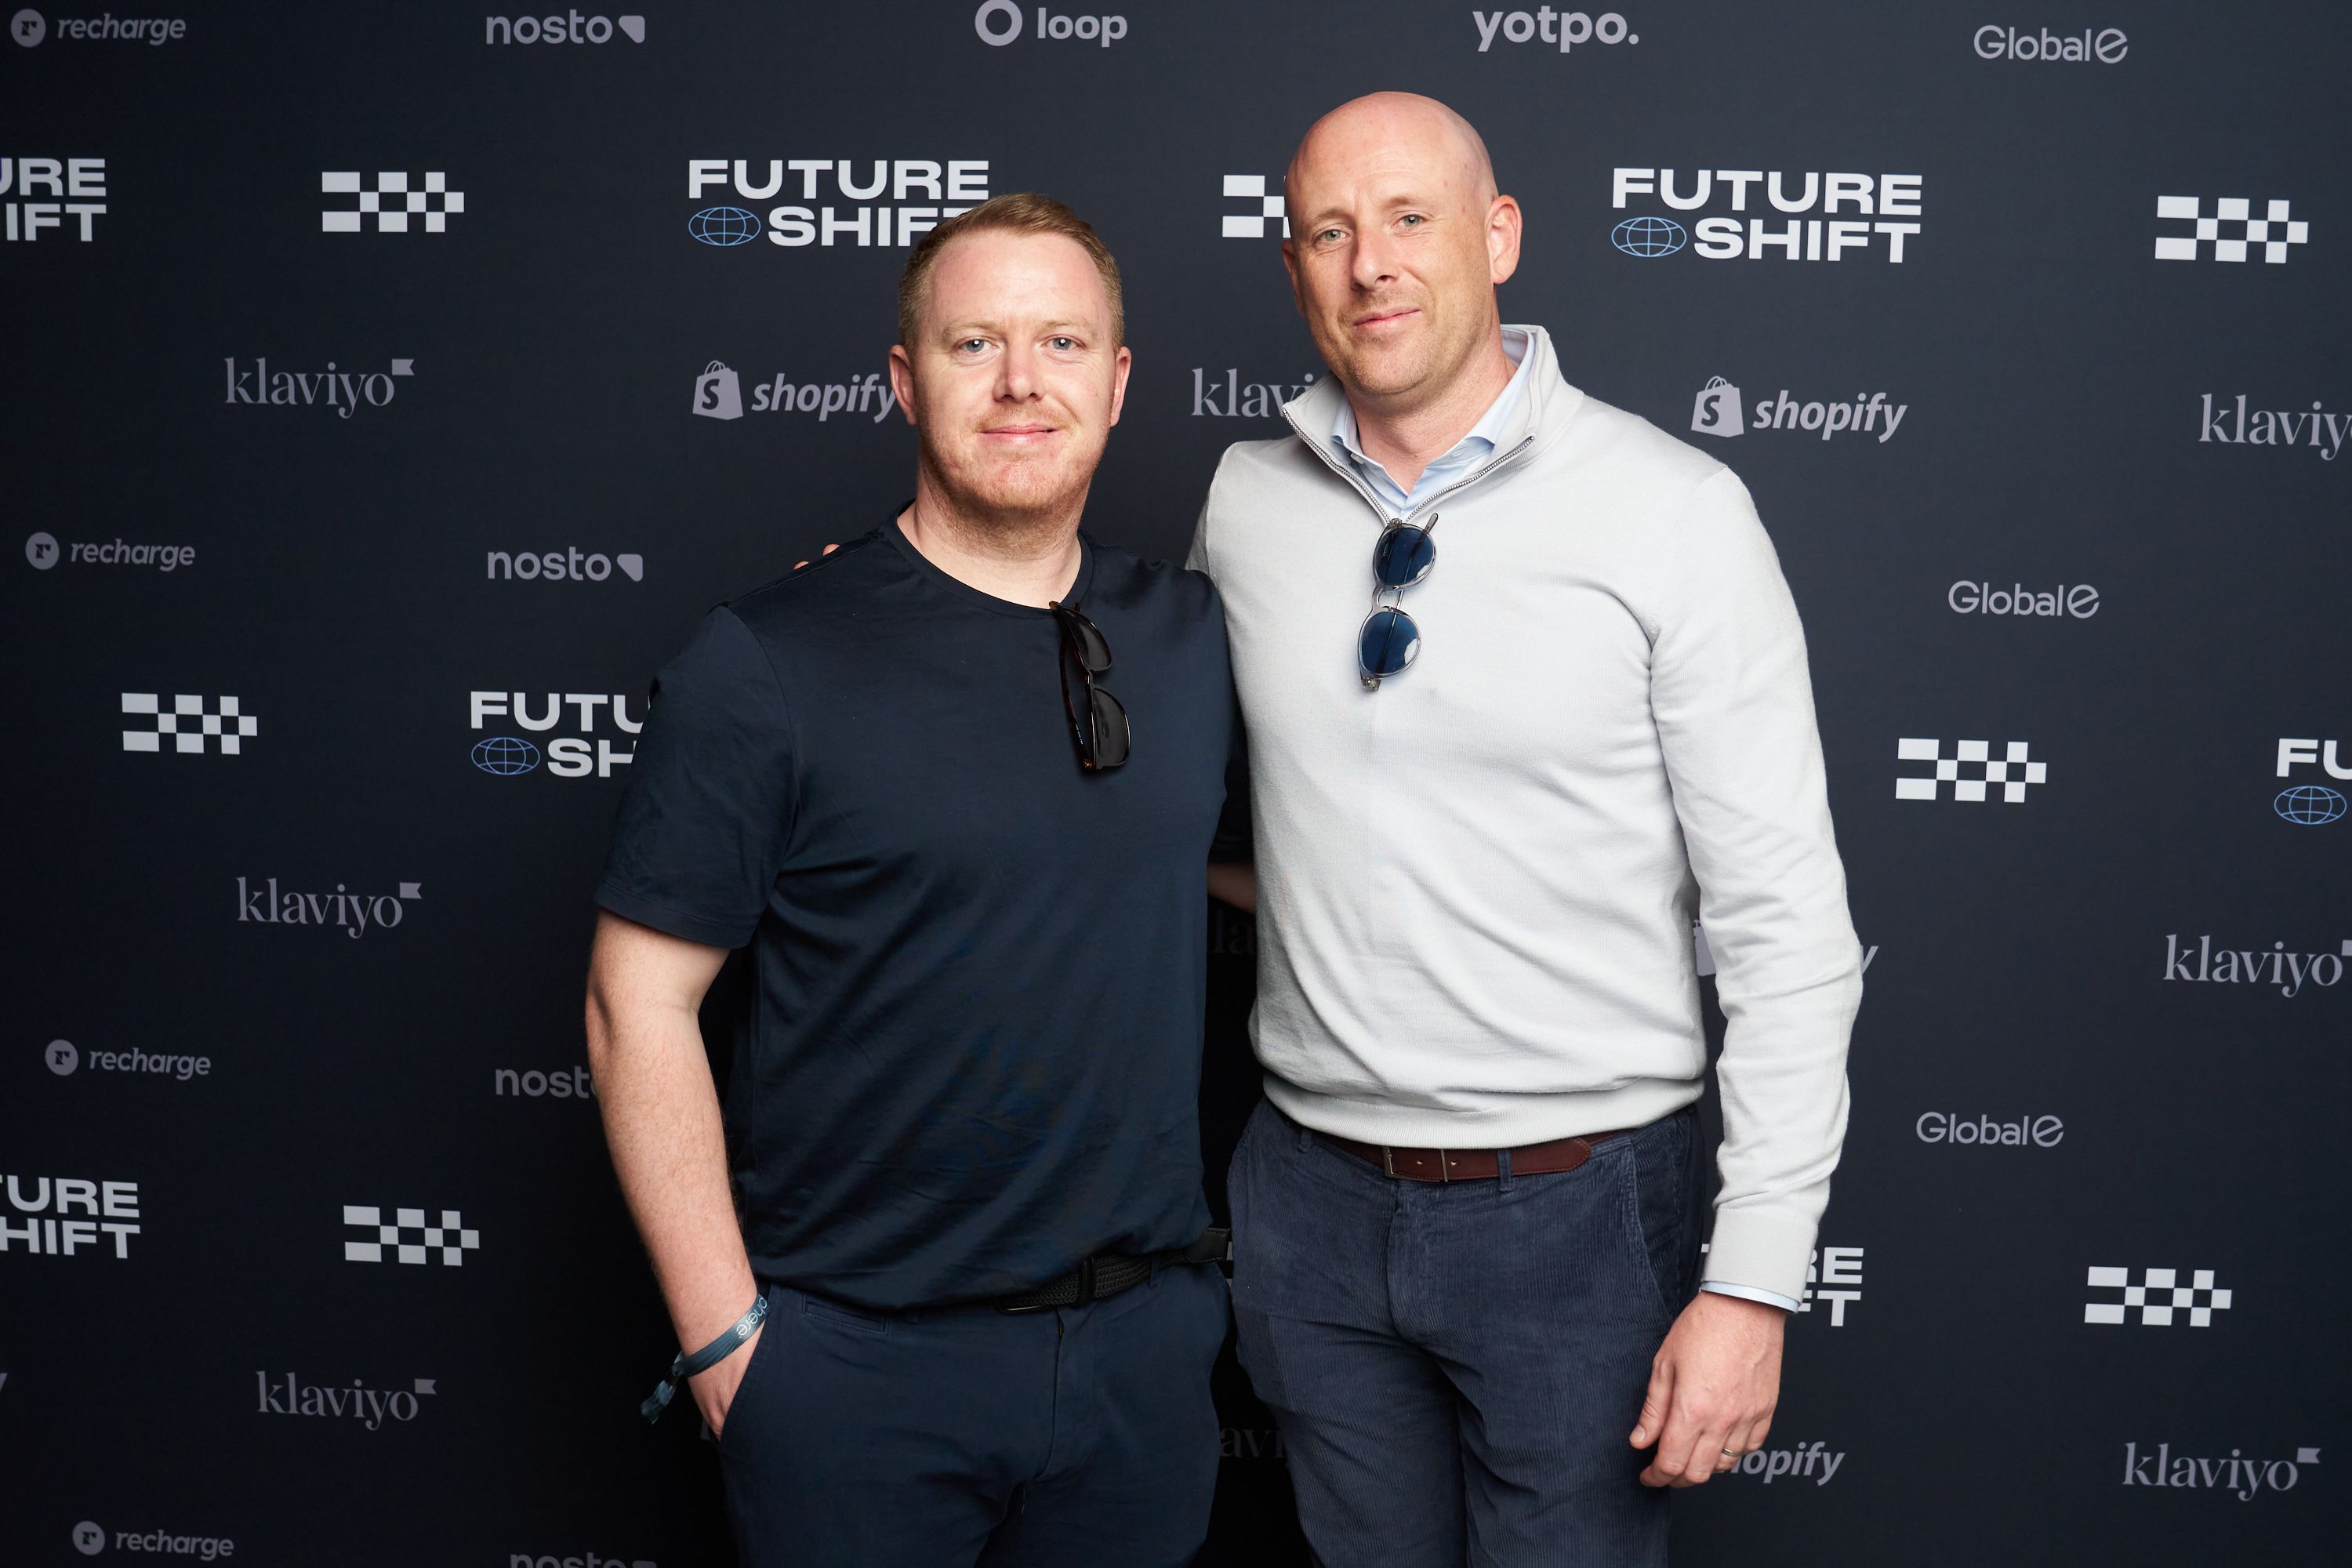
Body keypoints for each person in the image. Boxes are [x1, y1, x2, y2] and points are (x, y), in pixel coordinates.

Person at [1190, 93, 1864, 1564]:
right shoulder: (1243, 505)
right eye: (1328, 230)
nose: (1371, 263)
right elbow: (1221, 814)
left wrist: (1753, 1284)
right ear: (1296, 266)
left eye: (1410, 219)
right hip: (1306, 1203)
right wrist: (892, 629)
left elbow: (1787, 925)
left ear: (1498, 237)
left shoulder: (1674, 510)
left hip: (1580, 1214)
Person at [583, 192, 1242, 1568]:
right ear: (903, 379)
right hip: (859, 1376)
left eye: (1063, 343)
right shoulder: (767, 659)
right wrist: (725, 1344)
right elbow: (632, 1001)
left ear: (1118, 384)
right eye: (973, 345)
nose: (1021, 382)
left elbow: (1250, 866)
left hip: (1142, 1360)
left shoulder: (1188, 637)